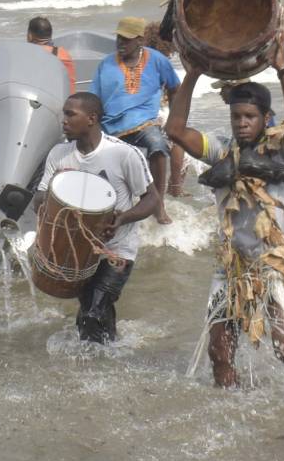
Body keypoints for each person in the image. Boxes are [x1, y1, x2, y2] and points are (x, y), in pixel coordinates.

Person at [164, 32, 284, 388]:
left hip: (273, 261)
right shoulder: (220, 152)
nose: (241, 122)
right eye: (236, 116)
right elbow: (174, 129)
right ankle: (228, 412)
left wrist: (282, 70)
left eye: (249, 116)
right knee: (220, 356)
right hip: (230, 265)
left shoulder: (281, 152)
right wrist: (193, 75)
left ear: (265, 118)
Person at [33, 92, 159, 343]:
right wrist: (57, 187)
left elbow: (152, 199)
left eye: (71, 114)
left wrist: (121, 219)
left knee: (92, 312)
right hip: (78, 251)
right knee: (94, 309)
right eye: (64, 114)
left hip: (117, 250)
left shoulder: (124, 154)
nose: (64, 120)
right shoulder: (59, 154)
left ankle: (91, 365)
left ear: (91, 118)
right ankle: (113, 354)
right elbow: (37, 201)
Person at [92, 17, 181, 224]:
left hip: (144, 123)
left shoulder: (158, 60)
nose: (121, 43)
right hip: (111, 126)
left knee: (158, 146)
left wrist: (174, 121)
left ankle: (158, 204)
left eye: (127, 39)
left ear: (140, 40)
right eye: (119, 38)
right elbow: (94, 99)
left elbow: (175, 88)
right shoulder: (106, 65)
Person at [143, 21, 188, 197]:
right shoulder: (162, 63)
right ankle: (175, 185)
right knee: (179, 141)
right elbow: (174, 88)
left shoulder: (141, 60)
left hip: (144, 112)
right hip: (159, 112)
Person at [27, 16, 77, 93]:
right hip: (66, 101)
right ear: (50, 35)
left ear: (30, 36)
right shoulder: (64, 54)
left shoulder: (29, 55)